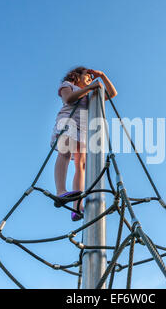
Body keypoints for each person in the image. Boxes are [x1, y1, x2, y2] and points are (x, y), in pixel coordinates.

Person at [50, 67, 118, 221]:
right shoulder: (68, 85)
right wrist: (89, 87)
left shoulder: (90, 94)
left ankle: (77, 206)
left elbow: (112, 93)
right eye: (86, 76)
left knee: (81, 165)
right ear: (76, 76)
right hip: (68, 123)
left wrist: (102, 75)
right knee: (65, 153)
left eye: (90, 77)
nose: (89, 79)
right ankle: (60, 191)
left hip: (83, 130)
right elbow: (69, 99)